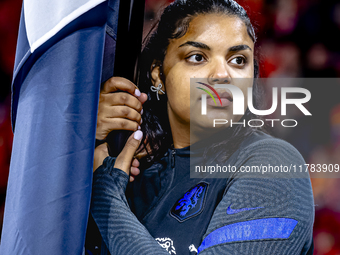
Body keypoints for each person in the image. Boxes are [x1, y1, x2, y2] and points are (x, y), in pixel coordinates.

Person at [91, 0, 315, 254]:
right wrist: (82, 148)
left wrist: (104, 195)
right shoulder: (130, 170)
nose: (222, 75)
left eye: (238, 60)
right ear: (158, 74)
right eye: (197, 57)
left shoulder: (273, 164)